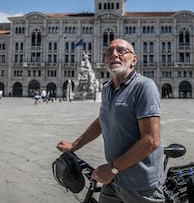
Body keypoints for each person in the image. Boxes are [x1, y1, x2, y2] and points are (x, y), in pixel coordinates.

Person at [56, 39, 164, 203]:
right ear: (105, 60)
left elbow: (151, 141)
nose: (114, 54)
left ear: (133, 60)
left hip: (139, 184)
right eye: (109, 52)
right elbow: (102, 121)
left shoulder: (144, 86)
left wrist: (113, 168)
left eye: (121, 50)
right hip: (113, 180)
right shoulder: (107, 88)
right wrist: (74, 145)